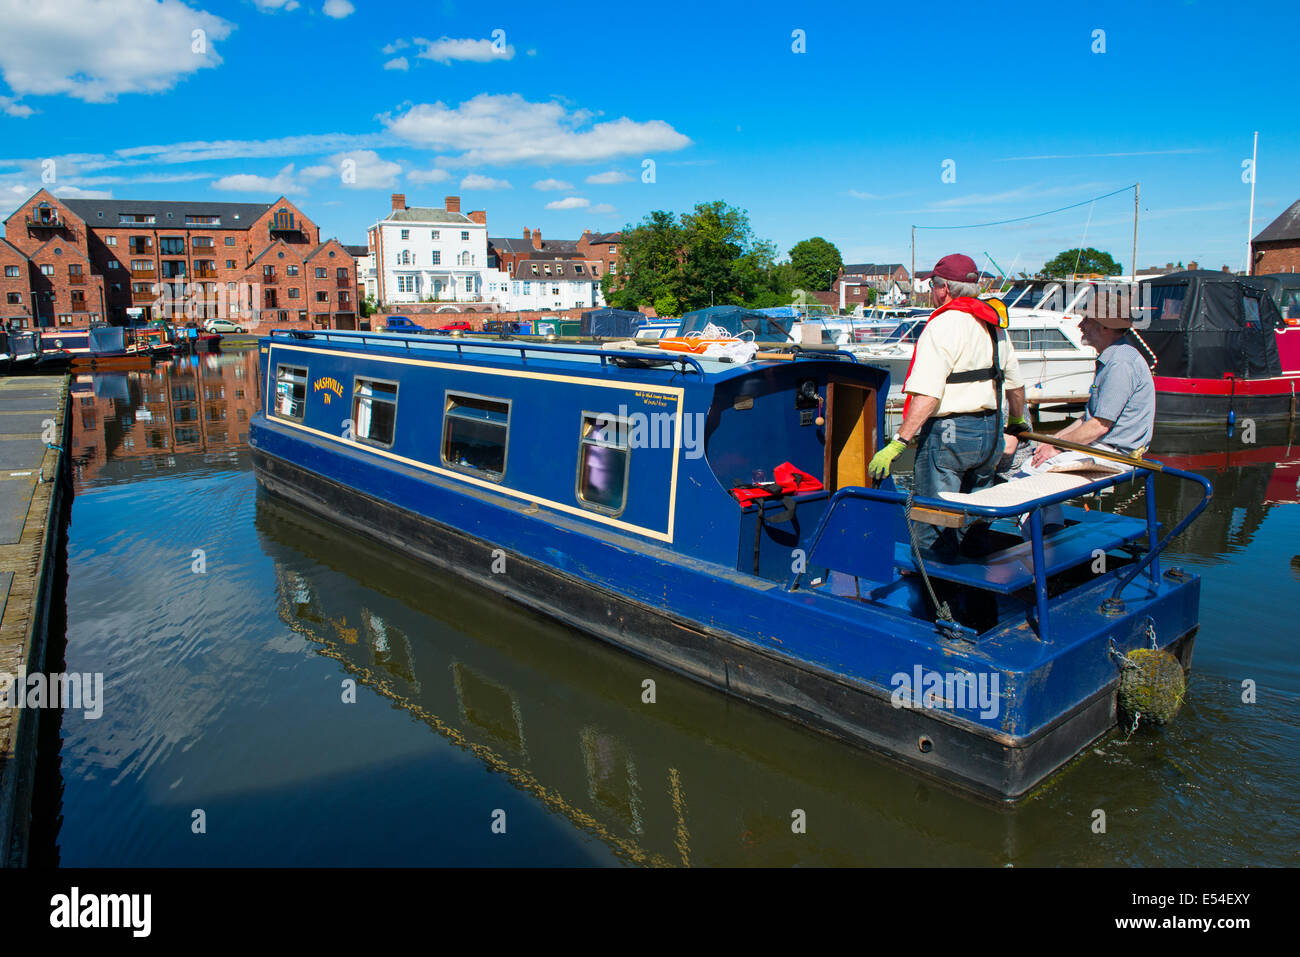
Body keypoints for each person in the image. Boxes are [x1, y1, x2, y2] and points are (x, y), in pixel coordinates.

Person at [868, 253, 1028, 558]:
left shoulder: (941, 327)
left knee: (934, 523)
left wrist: (898, 444)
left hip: (951, 434)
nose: (931, 292)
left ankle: (937, 597)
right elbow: (1016, 385)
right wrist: (1017, 421)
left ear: (944, 289)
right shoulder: (994, 324)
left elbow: (927, 396)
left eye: (932, 286)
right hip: (990, 433)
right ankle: (974, 591)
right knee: (975, 520)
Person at [1006, 298, 1155, 529]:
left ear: (1106, 327)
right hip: (1106, 447)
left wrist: (1055, 447)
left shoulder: (1120, 363)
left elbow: (1099, 426)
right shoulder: (1114, 356)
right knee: (1035, 461)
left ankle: (1042, 547)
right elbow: (1087, 419)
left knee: (1031, 473)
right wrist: (1051, 441)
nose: (1081, 325)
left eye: (1087, 320)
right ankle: (1049, 535)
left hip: (1116, 452)